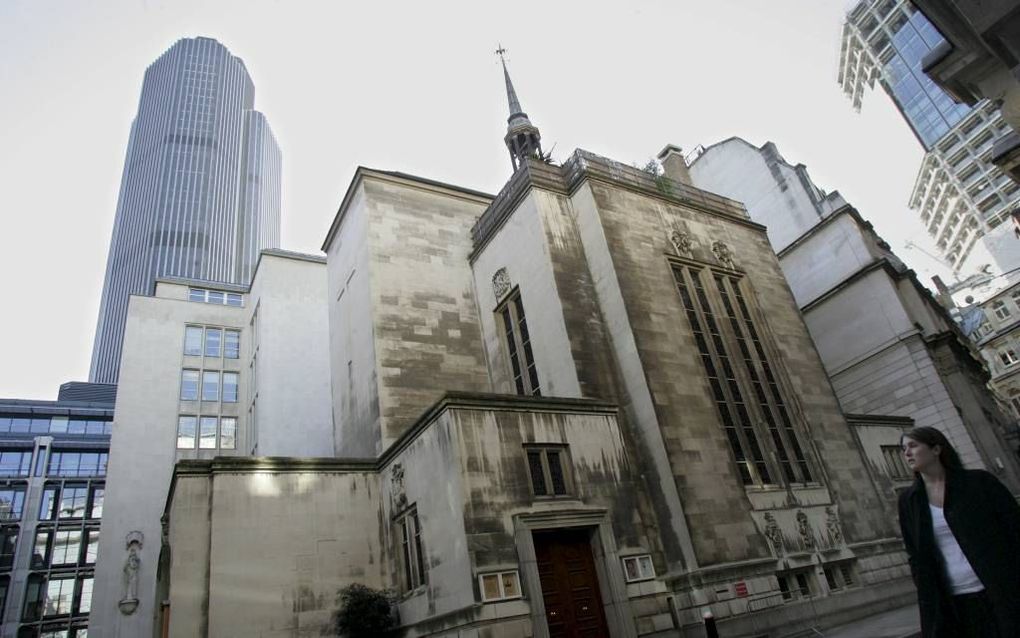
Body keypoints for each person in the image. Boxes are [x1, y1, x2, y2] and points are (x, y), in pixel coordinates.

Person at [898, 426, 1020, 637]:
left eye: (913, 446)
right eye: (903, 448)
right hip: (954, 602)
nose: (906, 453)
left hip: (1001, 590)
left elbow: (1014, 530)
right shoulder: (909, 500)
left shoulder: (979, 482)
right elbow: (915, 554)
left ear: (936, 449)